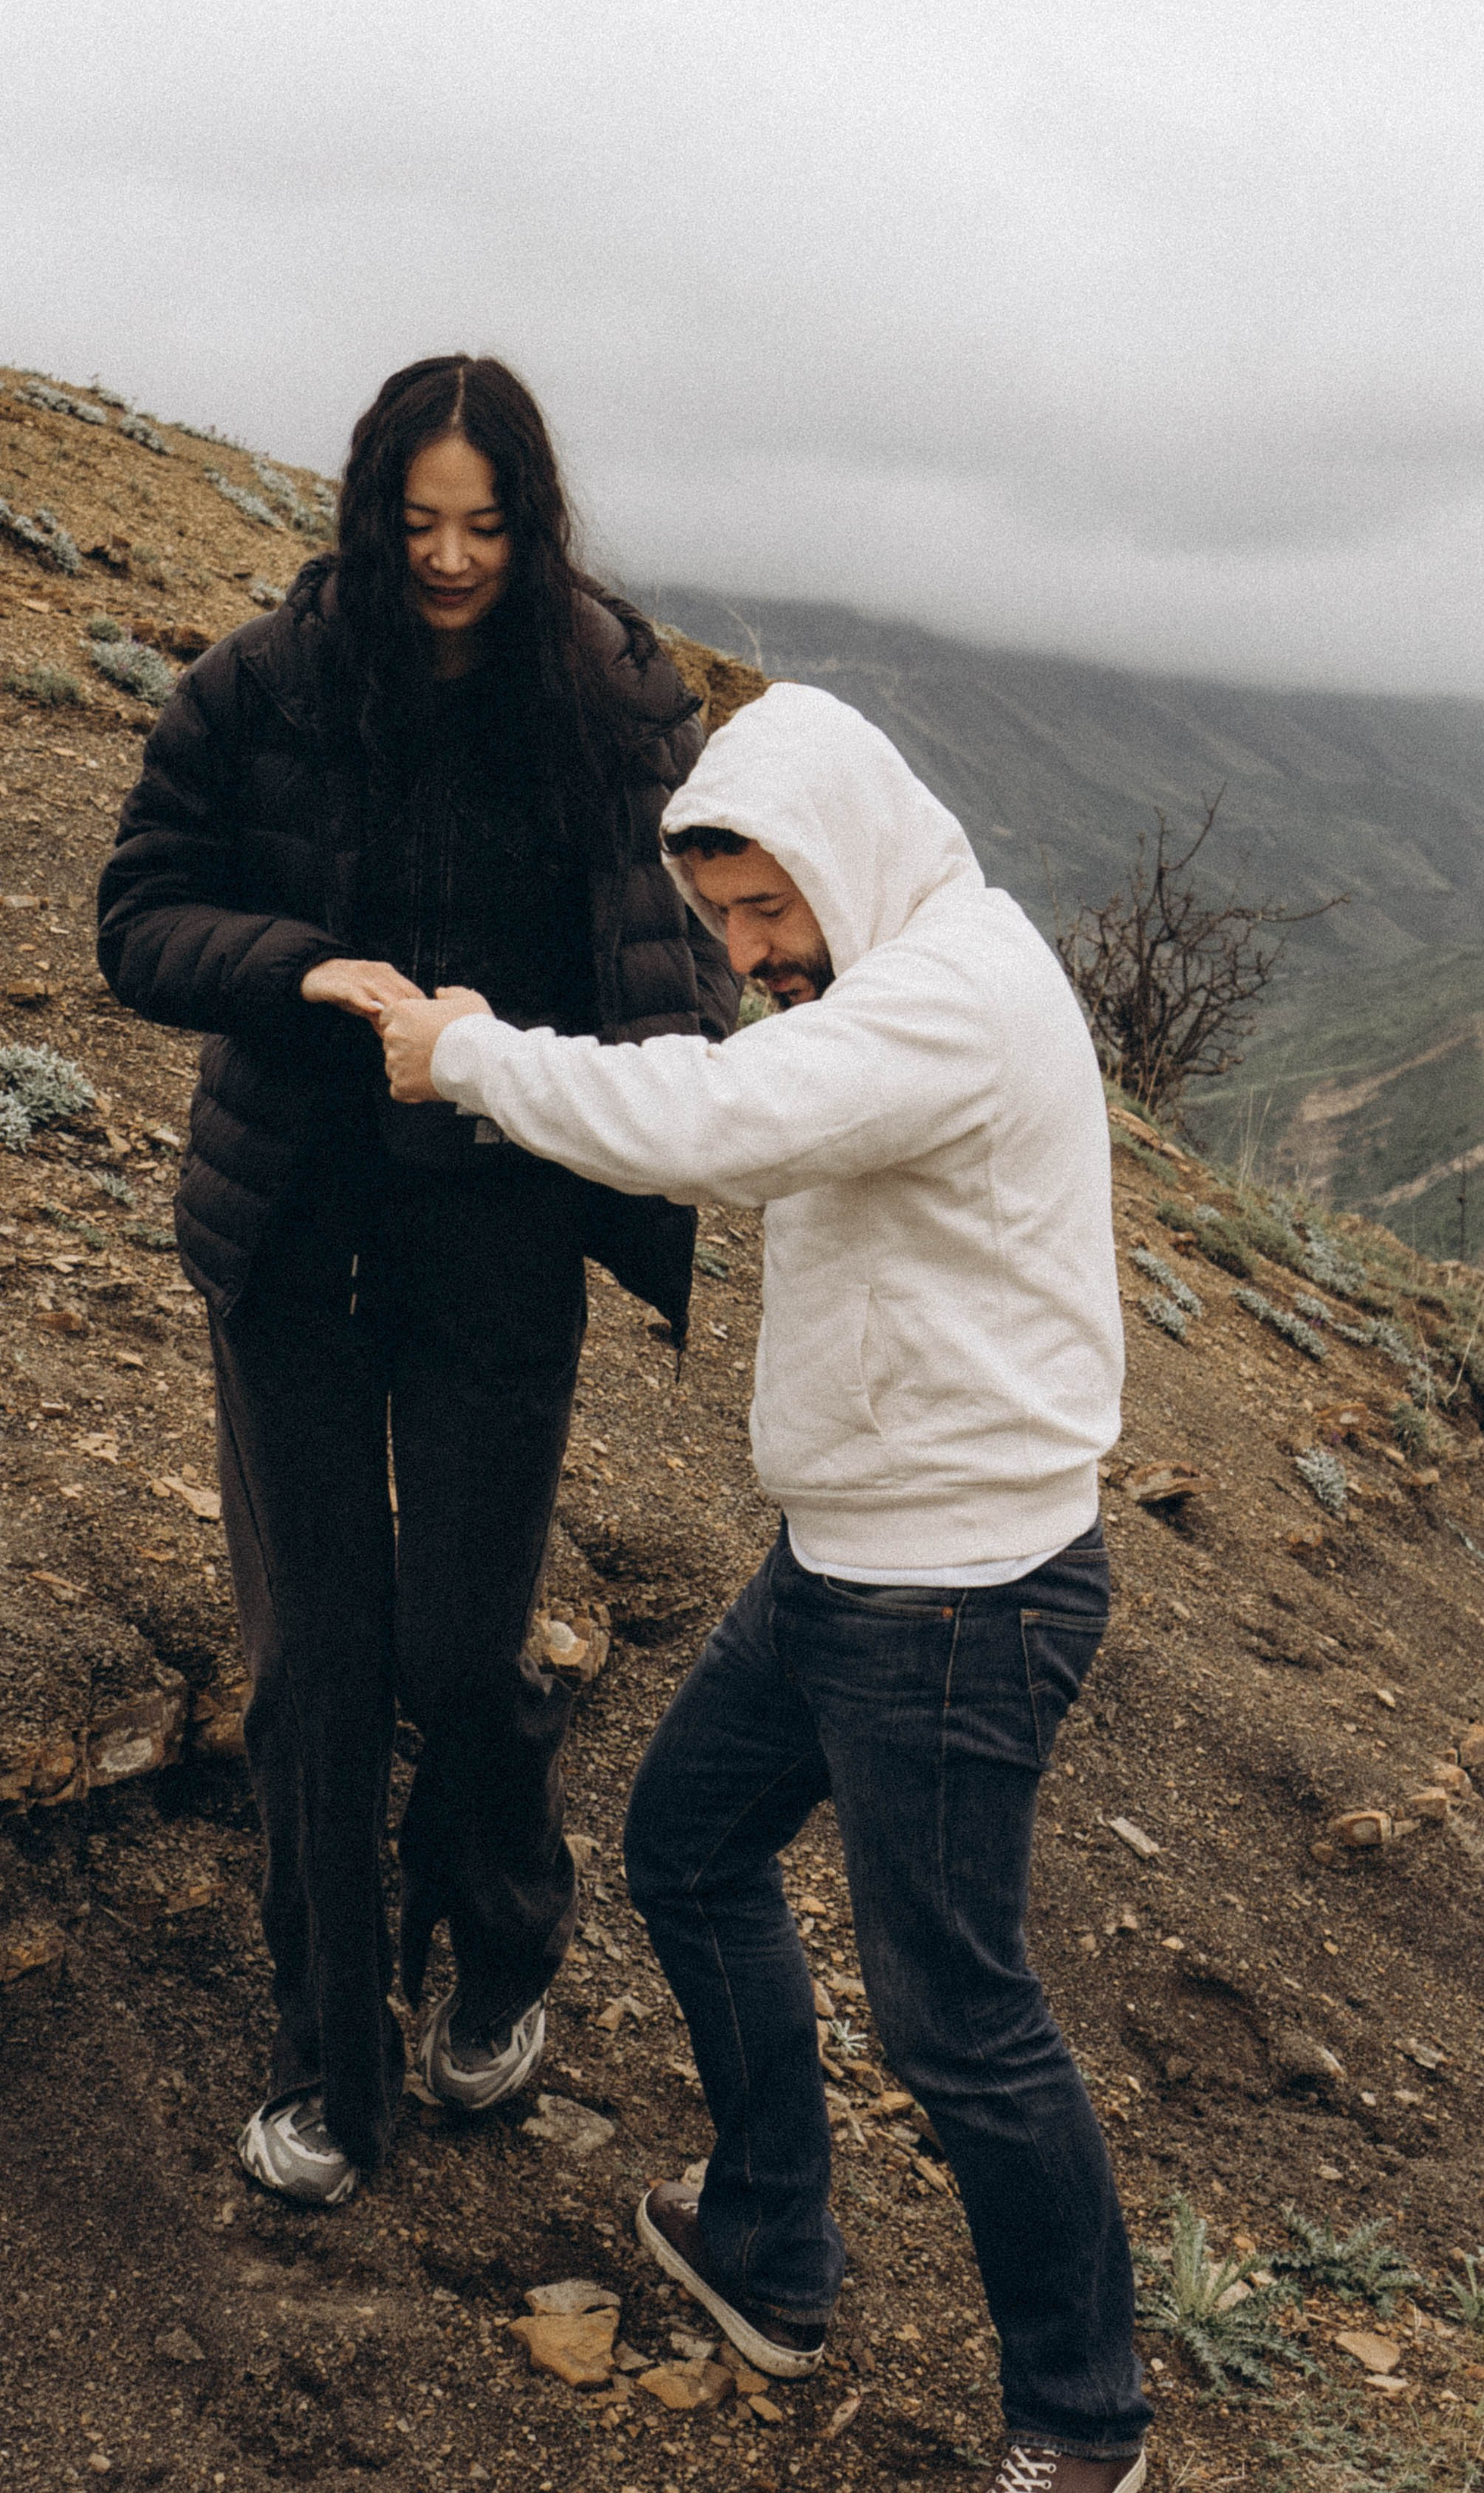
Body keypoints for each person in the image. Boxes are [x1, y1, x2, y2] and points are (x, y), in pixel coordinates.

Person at [378, 680, 1150, 2493]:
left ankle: (1084, 2421)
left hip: (951, 1597)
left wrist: (465, 1053)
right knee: (688, 1847)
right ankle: (768, 2250)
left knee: (957, 2021)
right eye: (719, 916)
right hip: (851, 1559)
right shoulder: (906, 969)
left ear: (848, 855)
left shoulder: (944, 999)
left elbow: (714, 1126)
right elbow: (744, 1101)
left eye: (765, 908)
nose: (745, 950)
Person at [96, 354, 735, 2205]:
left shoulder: (613, 700)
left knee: (463, 1646)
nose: (450, 559)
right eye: (418, 520)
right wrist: (302, 969)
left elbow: (675, 950)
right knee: (314, 1660)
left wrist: (575, 1073)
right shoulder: (266, 683)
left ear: (534, 525)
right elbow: (137, 911)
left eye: (487, 524)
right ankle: (327, 2061)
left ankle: (504, 1951)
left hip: (500, 1228)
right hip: (291, 1226)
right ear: (368, 509)